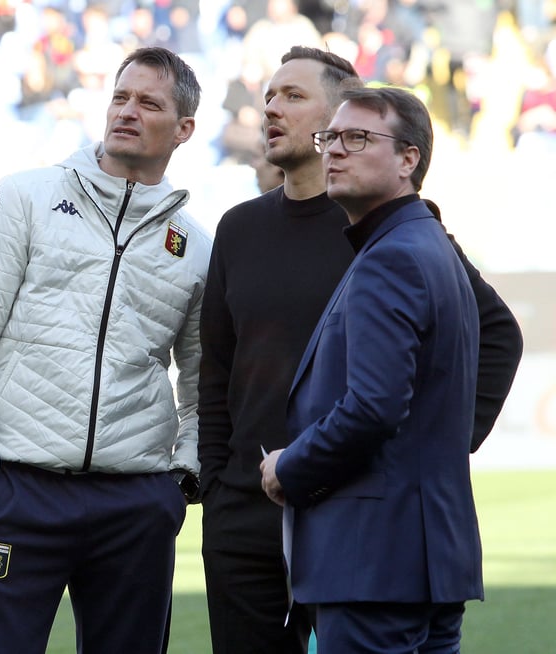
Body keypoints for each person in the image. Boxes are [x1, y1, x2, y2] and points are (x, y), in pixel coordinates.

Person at [197, 46, 523, 654]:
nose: (272, 108)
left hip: (351, 506)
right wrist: (218, 484)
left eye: (294, 96)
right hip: (250, 506)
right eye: (269, 96)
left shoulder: (389, 234)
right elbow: (214, 369)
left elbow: (496, 336)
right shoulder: (241, 228)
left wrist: (425, 452)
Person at [0, 46, 209, 654]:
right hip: (18, 490)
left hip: (137, 502)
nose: (127, 112)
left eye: (149, 103)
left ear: (183, 128)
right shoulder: (23, 197)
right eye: (120, 97)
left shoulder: (194, 246)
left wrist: (181, 479)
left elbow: (203, 383)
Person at [259, 84, 498, 653]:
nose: (335, 150)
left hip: (372, 564)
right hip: (426, 559)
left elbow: (372, 408)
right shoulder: (426, 243)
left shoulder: (391, 256)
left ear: (408, 159)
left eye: (358, 138)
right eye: (331, 137)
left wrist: (289, 467)